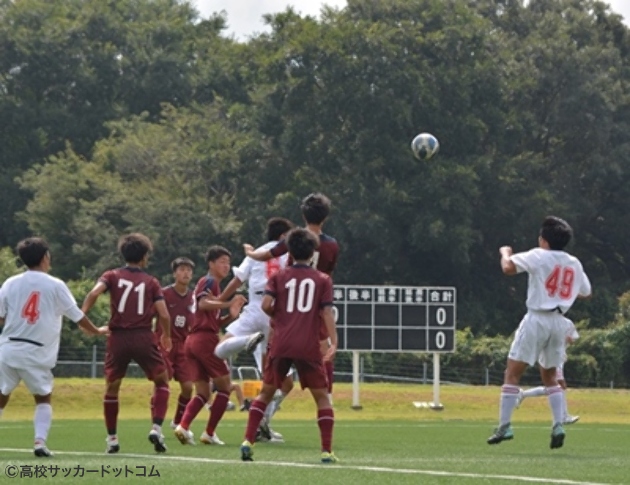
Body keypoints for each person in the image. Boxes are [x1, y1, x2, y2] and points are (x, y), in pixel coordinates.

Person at [487, 216, 591, 449]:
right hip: (559, 320)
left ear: (543, 240)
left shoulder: (538, 254)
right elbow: (585, 292)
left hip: (537, 318)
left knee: (512, 373)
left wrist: (505, 252)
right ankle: (557, 425)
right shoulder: (574, 262)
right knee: (551, 376)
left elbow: (508, 268)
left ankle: (504, 426)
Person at [0, 237, 106, 457]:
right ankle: (39, 443)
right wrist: (96, 330)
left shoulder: (10, 283)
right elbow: (77, 316)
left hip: (8, 349)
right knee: (43, 397)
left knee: (2, 394)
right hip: (37, 352)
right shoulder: (55, 284)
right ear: (45, 257)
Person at [245, 194, 339, 439]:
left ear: (302, 215)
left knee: (271, 378)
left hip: (286, 316)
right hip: (314, 314)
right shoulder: (331, 246)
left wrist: (250, 253)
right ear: (326, 216)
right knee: (322, 378)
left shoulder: (291, 239)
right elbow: (328, 279)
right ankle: (326, 433)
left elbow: (267, 255)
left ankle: (255, 427)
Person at [82, 233, 172, 454]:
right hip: (143, 336)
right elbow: (164, 314)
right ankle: (156, 428)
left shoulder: (111, 275)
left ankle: (112, 439)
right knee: (162, 381)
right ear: (144, 257)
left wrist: (82, 316)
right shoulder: (151, 282)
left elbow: (94, 292)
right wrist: (166, 335)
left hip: (118, 337)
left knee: (112, 387)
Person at [173, 246, 245, 446]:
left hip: (193, 341)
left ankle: (183, 426)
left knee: (203, 393)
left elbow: (210, 318)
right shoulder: (209, 281)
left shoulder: (215, 287)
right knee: (225, 387)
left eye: (228, 262)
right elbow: (204, 304)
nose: (226, 266)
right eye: (222, 261)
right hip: (205, 341)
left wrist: (230, 316)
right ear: (211, 264)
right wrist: (228, 304)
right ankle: (209, 433)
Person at [215, 217, 294, 371]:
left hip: (256, 307)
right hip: (278, 311)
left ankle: (246, 340)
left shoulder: (255, 253)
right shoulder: (290, 255)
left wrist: (220, 299)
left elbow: (237, 281)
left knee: (221, 348)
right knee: (273, 373)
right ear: (283, 236)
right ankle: (271, 393)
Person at [515, 320, 581, 424]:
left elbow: (572, 339)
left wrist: (568, 340)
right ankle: (564, 416)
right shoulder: (546, 322)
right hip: (552, 358)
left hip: (559, 358)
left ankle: (523, 394)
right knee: (560, 385)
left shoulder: (567, 323)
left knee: (553, 388)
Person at [156, 257, 196, 430]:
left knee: (188, 388)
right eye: (182, 269)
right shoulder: (163, 294)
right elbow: (151, 315)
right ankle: (156, 423)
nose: (185, 273)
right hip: (164, 342)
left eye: (188, 270)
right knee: (162, 383)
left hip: (183, 345)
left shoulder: (193, 297)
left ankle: (177, 421)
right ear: (174, 273)